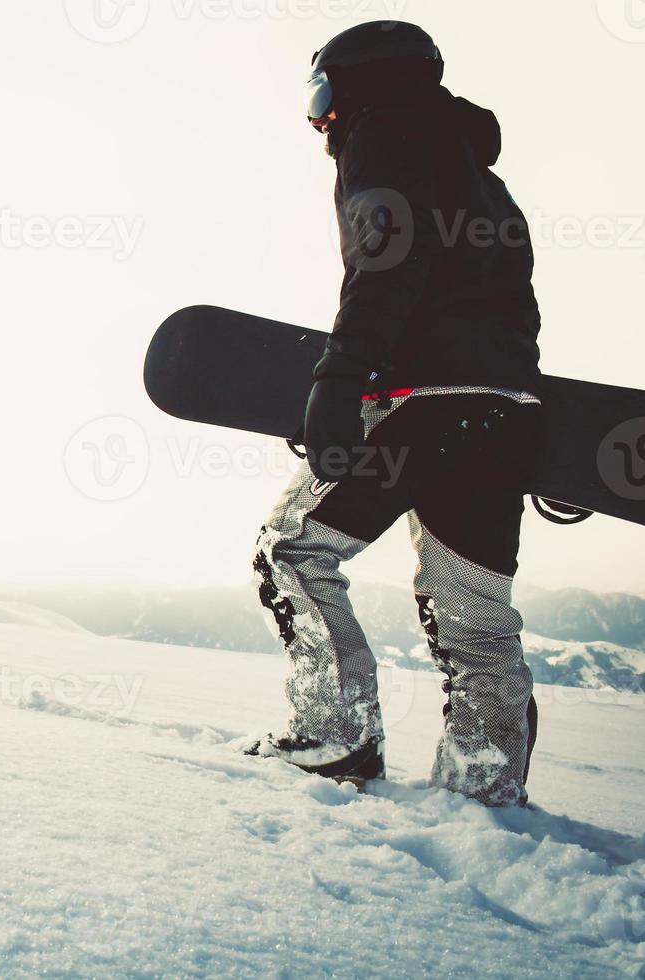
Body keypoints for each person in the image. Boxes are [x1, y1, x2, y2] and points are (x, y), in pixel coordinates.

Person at [244, 21, 544, 807]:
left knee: (292, 553)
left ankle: (337, 735)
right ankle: (484, 790)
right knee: (472, 613)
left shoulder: (384, 137)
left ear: (363, 84)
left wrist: (341, 380)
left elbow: (387, 264)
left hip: (419, 402)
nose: (321, 123)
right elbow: (506, 303)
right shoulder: (480, 174)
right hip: (499, 408)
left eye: (322, 96)